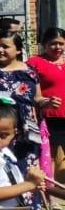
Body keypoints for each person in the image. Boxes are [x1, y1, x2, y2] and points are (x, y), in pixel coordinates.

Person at [0, 29, 61, 210]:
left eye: (5, 46)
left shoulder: (30, 71)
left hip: (27, 132)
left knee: (28, 172)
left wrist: (47, 102)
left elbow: (36, 98)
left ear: (18, 50)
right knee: (4, 172)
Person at [26, 26, 65, 174]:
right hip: (48, 116)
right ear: (44, 44)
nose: (58, 47)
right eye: (53, 43)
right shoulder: (34, 62)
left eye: (61, 43)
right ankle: (49, 190)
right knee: (49, 156)